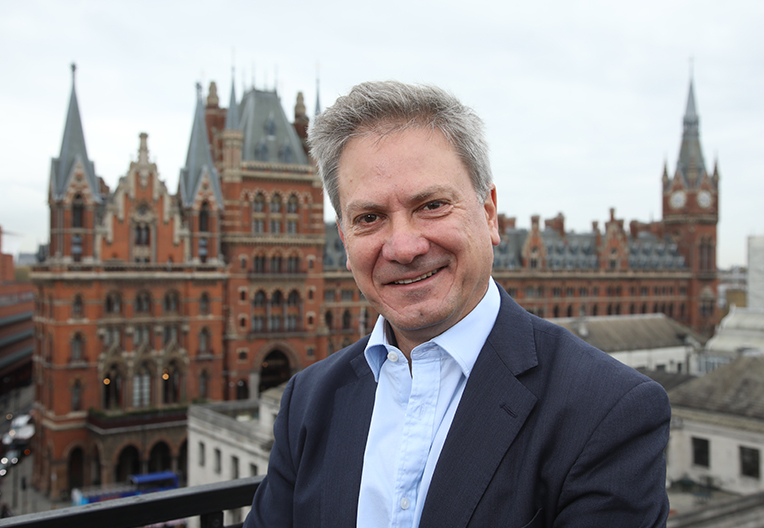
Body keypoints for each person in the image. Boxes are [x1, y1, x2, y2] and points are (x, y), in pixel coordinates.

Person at [244, 81, 670, 528]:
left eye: (431, 205)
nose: (403, 247)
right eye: (369, 218)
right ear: (345, 241)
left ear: (489, 214)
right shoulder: (307, 401)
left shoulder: (608, 411)